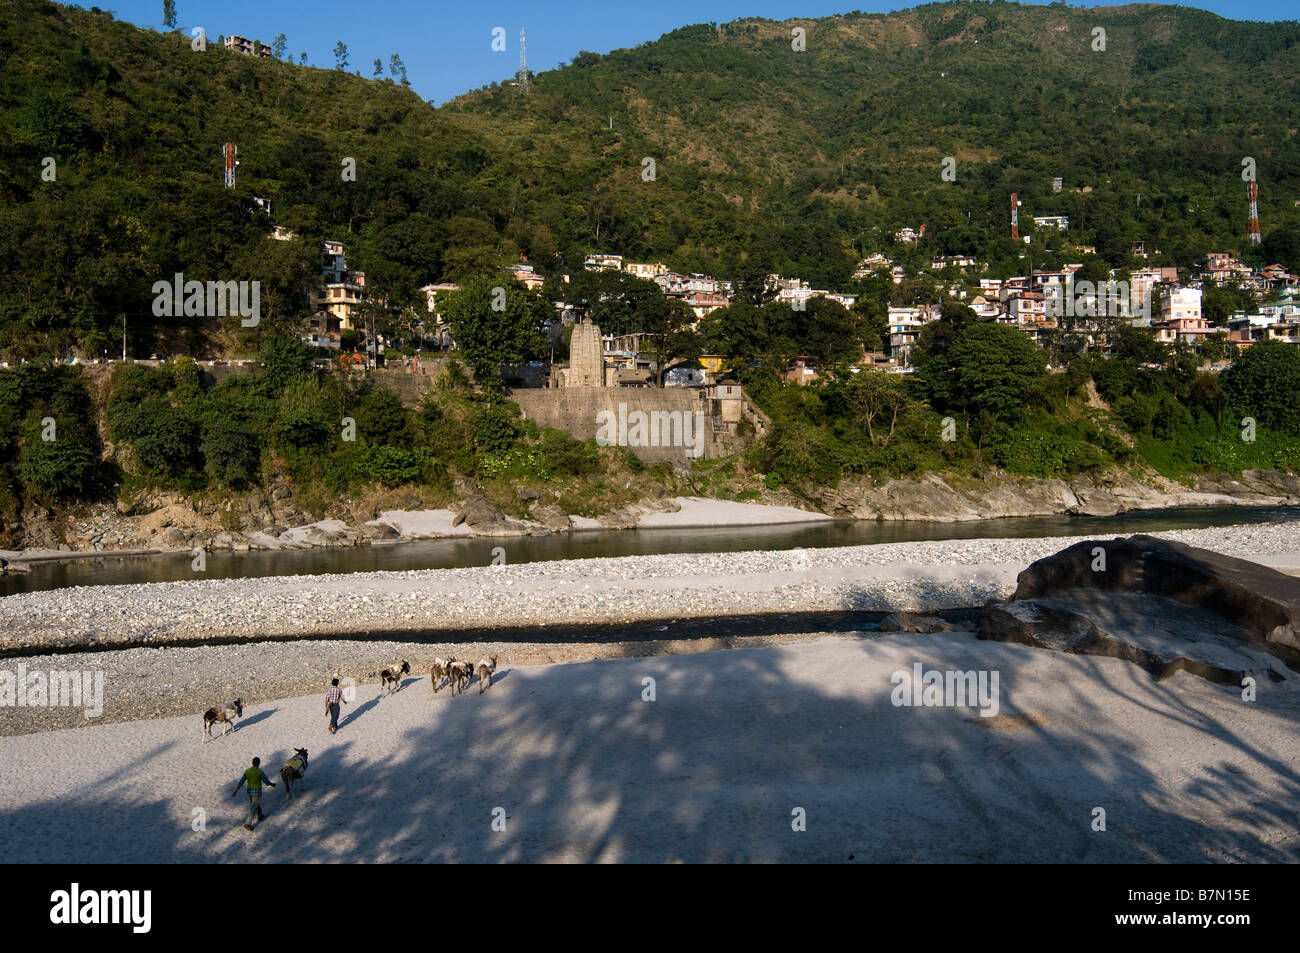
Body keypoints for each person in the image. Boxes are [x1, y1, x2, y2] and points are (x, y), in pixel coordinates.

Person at [232, 757, 275, 831]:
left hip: (249, 792)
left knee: (255, 804)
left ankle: (260, 816)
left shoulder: (247, 771)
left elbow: (241, 781)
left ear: (252, 763)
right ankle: (248, 823)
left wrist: (236, 790)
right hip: (257, 792)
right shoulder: (259, 771)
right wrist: (272, 784)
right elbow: (266, 781)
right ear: (258, 763)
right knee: (253, 807)